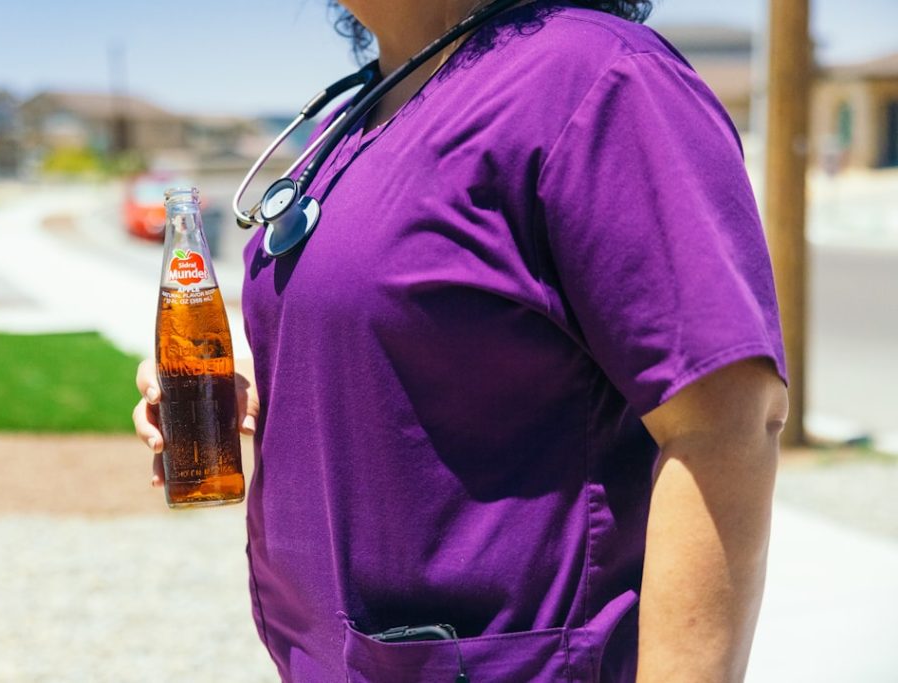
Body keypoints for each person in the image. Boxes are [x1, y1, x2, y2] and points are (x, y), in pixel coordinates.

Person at [133, 1, 789, 681]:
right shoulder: (353, 115)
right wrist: (250, 376)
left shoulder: (602, 80)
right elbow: (413, 330)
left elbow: (725, 419)